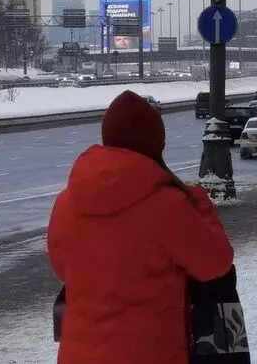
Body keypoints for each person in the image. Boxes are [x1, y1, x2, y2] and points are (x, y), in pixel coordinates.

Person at [48, 91, 236, 364]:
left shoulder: (67, 202)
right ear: (155, 144)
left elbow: (62, 267)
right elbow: (216, 262)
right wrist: (198, 201)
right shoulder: (169, 205)